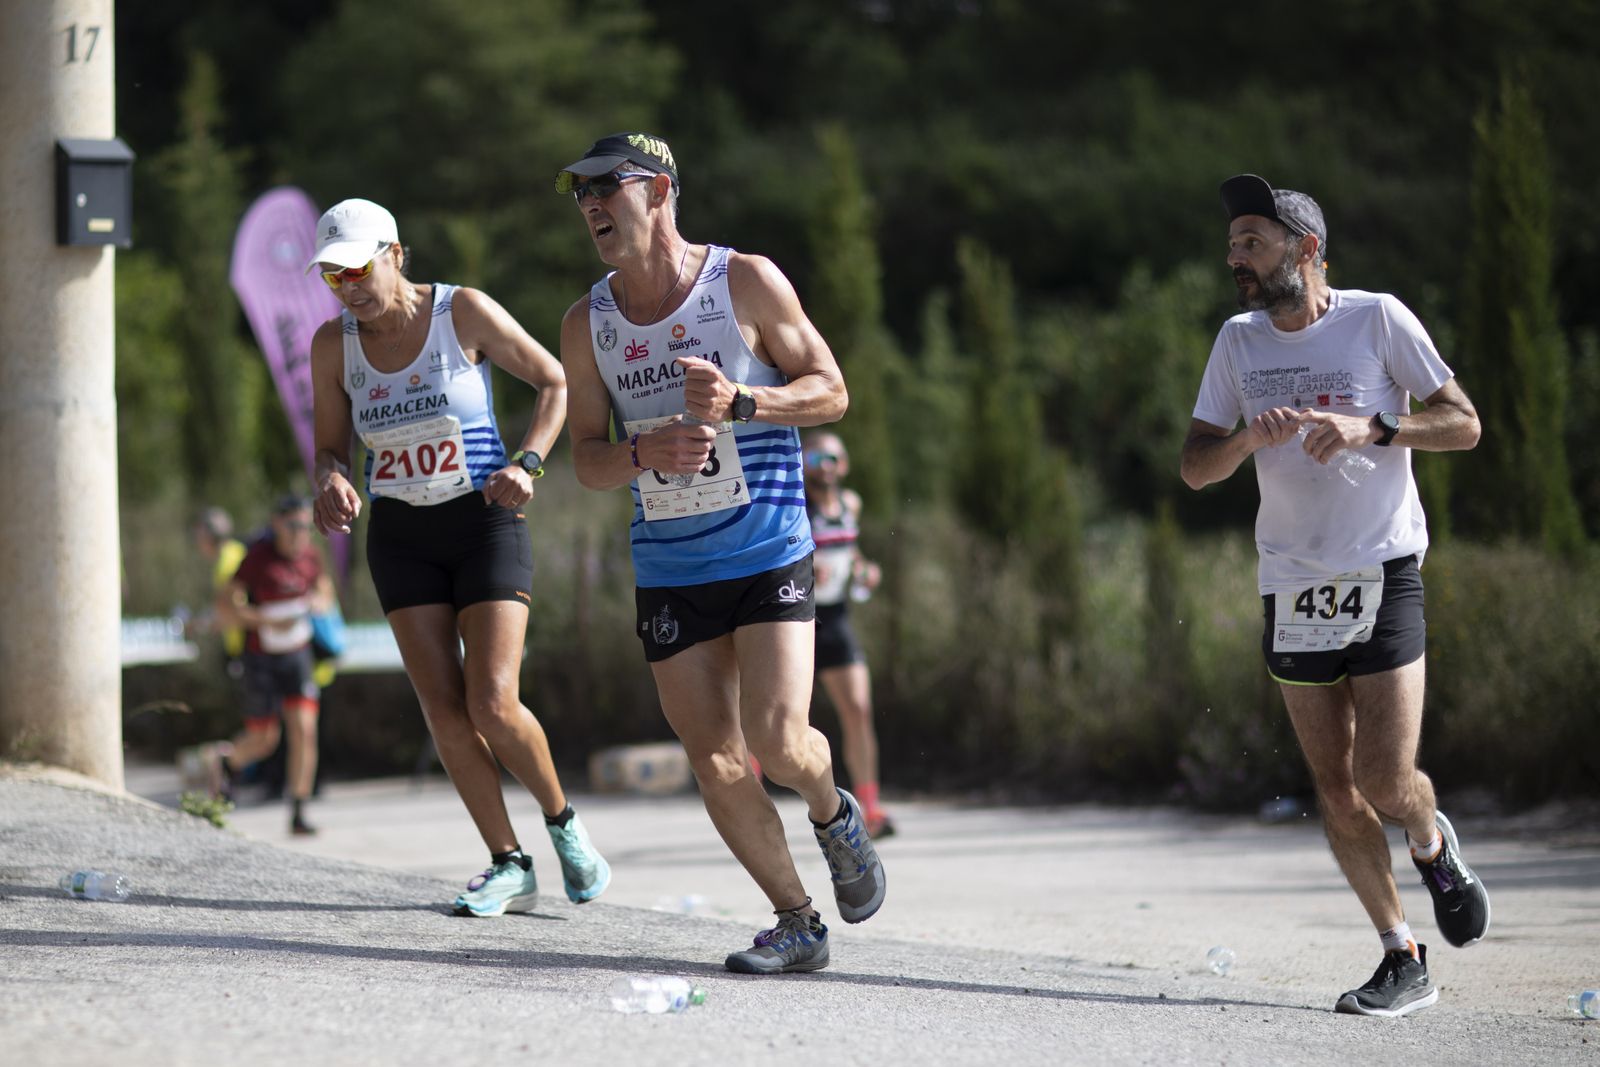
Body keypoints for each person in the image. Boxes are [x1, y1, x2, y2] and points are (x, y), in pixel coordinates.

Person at [555, 132, 885, 974]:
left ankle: (832, 808)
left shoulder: (742, 279)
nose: (591, 203)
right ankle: (796, 919)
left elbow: (832, 389)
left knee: (779, 739)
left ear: (659, 189)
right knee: (715, 758)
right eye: (579, 191)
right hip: (670, 568)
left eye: (607, 185)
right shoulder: (586, 322)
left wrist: (745, 400)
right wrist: (641, 454)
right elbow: (585, 457)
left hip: (769, 546)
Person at [1180, 174, 1489, 1017]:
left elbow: (1463, 421)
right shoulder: (1238, 343)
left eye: (1253, 240)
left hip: (1382, 569)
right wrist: (1247, 437)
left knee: (1386, 777)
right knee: (1334, 782)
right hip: (1292, 581)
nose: (1235, 256)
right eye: (1234, 241)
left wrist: (1377, 427)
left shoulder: (1377, 318)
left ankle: (1431, 841)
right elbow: (1195, 466)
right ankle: (1402, 954)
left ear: (1305, 249)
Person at [307, 197, 609, 914]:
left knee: (492, 700)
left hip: (484, 520)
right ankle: (509, 862)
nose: (348, 285)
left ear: (396, 253)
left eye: (358, 267)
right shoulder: (332, 345)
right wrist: (331, 480)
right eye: (333, 276)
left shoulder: (461, 312)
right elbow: (328, 448)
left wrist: (529, 462)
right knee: (444, 709)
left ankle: (564, 825)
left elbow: (555, 381)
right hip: (403, 535)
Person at [212, 495, 335, 835]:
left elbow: (325, 590)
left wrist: (318, 602)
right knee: (265, 738)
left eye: (306, 527)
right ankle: (227, 763)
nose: (300, 534)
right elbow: (226, 605)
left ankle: (298, 811)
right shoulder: (257, 558)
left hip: (297, 655)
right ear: (276, 524)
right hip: (261, 657)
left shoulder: (311, 555)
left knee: (304, 731)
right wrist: (263, 619)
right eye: (294, 526)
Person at [802, 431, 894, 837]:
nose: (826, 465)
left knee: (859, 709)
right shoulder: (796, 502)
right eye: (818, 456)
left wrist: (865, 570)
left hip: (836, 618)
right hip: (793, 620)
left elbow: (851, 552)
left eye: (833, 458)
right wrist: (806, 571)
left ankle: (871, 809)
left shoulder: (850, 503)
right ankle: (747, 798)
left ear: (845, 464)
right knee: (773, 722)